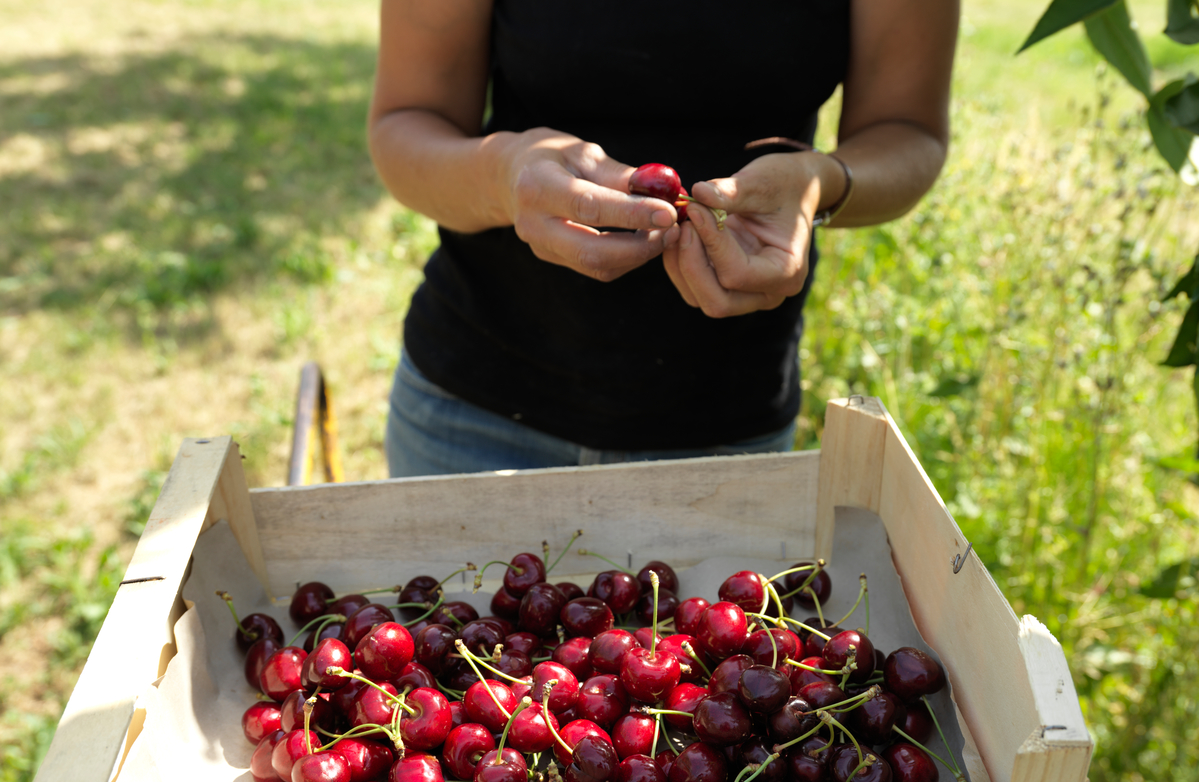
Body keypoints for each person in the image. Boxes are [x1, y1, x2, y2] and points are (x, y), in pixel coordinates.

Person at [368, 0, 958, 477]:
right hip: (473, 415)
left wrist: (822, 184)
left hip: (728, 429)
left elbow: (907, 130)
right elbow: (408, 121)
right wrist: (504, 174)